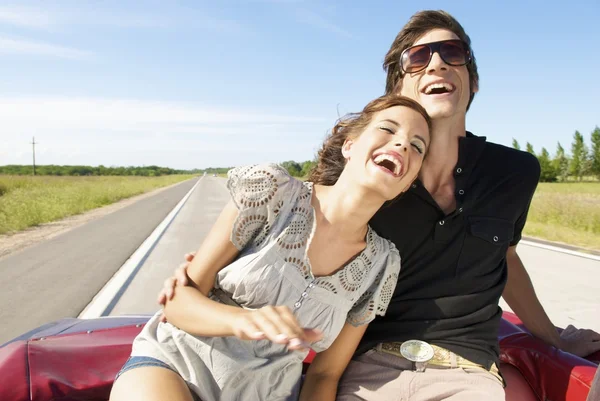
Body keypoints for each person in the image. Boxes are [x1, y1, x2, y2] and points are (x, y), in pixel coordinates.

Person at [160, 9, 600, 401]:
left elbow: (504, 256)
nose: (438, 62)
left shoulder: (515, 171)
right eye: (418, 57)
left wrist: (552, 336)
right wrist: (197, 271)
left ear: (474, 79)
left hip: (466, 367)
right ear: (398, 87)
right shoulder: (376, 179)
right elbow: (296, 221)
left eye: (452, 52)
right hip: (370, 364)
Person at [109, 95, 433, 401]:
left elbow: (325, 374)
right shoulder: (273, 191)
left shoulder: (382, 264)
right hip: (175, 366)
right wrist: (241, 321)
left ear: (408, 181)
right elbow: (178, 303)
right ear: (350, 145)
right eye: (388, 129)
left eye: (417, 146)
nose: (403, 143)